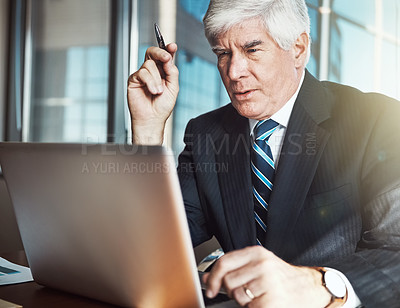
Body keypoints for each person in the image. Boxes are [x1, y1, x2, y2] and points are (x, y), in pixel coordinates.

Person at [127, 0, 400, 306]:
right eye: (223, 53)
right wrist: (148, 131)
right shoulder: (205, 134)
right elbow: (156, 244)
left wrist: (320, 286)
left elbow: (396, 253)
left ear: (298, 48)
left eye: (252, 50)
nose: (234, 71)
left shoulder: (377, 120)